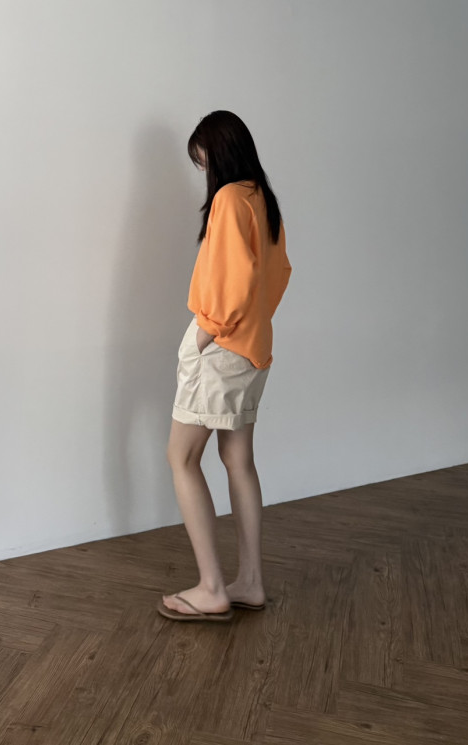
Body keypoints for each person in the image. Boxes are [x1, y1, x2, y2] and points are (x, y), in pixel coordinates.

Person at [158, 111, 292, 622]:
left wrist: (205, 334)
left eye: (203, 160)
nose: (203, 170)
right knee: (238, 459)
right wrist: (247, 324)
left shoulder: (230, 199)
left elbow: (233, 285)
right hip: (253, 348)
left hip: (221, 349)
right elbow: (277, 274)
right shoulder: (263, 199)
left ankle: (212, 587)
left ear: (219, 153)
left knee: (181, 457)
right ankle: (250, 582)